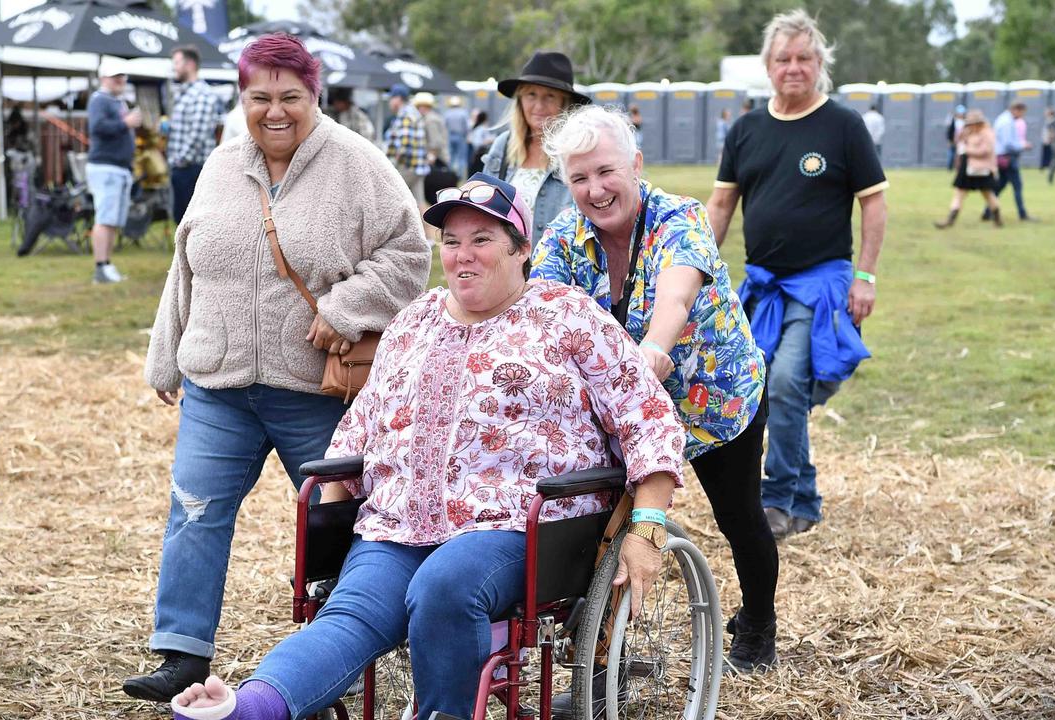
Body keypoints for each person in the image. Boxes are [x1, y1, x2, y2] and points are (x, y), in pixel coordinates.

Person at [168, 173, 685, 720]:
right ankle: (249, 705)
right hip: (397, 522)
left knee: (445, 586)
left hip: (519, 527)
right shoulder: (414, 321)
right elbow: (360, 430)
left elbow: (647, 418)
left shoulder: (568, 316)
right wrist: (332, 523)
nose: (463, 256)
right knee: (352, 612)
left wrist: (647, 525)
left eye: (483, 240)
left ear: (523, 248)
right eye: (452, 241)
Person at [124, 33, 432, 703]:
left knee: (339, 525)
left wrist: (346, 305)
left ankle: (351, 639)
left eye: (290, 97)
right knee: (195, 513)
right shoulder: (218, 167)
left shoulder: (358, 165)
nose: (275, 112)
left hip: (313, 389)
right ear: (242, 99)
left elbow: (409, 258)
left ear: (313, 97)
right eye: (259, 98)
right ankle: (180, 651)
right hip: (218, 384)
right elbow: (187, 264)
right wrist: (166, 356)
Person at [533, 104, 777, 676]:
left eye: (606, 171)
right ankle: (604, 642)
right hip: (624, 410)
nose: (594, 189)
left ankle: (759, 628)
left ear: (636, 164)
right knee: (601, 519)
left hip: (711, 401)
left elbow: (675, 297)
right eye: (579, 178)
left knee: (738, 515)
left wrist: (653, 352)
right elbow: (540, 316)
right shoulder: (563, 238)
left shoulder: (679, 218)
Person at [708, 9, 886, 540]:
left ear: (820, 64)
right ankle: (801, 493)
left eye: (804, 58)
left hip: (821, 282)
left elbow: (873, 207)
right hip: (762, 285)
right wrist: (696, 270)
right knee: (758, 388)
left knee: (786, 381)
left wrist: (867, 278)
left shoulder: (844, 126)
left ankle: (780, 498)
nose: (793, 67)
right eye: (783, 58)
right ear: (767, 65)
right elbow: (721, 205)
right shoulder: (746, 129)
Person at [483, 50, 591, 242]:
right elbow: (482, 208)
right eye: (531, 95)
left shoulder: (578, 151)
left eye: (550, 96)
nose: (539, 106)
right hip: (507, 266)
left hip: (558, 266)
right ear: (520, 101)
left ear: (564, 103)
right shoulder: (503, 146)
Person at [86, 57, 142, 283]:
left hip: (117, 167)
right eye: (115, 76)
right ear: (103, 78)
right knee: (105, 217)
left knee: (112, 219)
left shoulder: (115, 101)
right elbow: (97, 128)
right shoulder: (100, 100)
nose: (121, 80)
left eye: (122, 76)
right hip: (106, 166)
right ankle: (101, 266)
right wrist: (125, 124)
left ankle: (106, 264)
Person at [168, 45, 224, 224]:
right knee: (181, 219)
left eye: (177, 62)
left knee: (191, 221)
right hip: (184, 167)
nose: (174, 67)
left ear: (190, 64)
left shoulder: (201, 94)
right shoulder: (186, 93)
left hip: (192, 168)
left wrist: (180, 161)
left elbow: (198, 133)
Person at [935, 110, 1002, 228]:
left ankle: (997, 219)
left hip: (982, 169)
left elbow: (986, 150)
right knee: (959, 193)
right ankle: (950, 220)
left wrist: (968, 150)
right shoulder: (968, 132)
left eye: (972, 123)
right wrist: (962, 136)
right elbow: (958, 143)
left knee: (988, 194)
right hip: (967, 168)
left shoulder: (987, 133)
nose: (970, 126)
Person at [987, 102, 1034, 222]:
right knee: (1017, 186)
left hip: (1000, 157)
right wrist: (1023, 146)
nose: (1022, 115)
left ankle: (987, 212)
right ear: (1016, 110)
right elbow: (1008, 144)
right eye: (1022, 112)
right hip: (1007, 158)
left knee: (1000, 185)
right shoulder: (1007, 122)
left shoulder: (1002, 118)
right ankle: (1022, 213)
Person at [384, 83, 428, 209]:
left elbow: (404, 145)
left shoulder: (405, 115)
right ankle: (425, 228)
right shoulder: (411, 112)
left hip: (407, 166)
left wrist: (392, 166)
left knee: (391, 197)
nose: (389, 102)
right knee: (419, 202)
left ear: (398, 99)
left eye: (391, 98)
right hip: (416, 166)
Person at [414, 92, 450, 169]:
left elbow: (435, 142)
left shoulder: (430, 120)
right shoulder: (430, 117)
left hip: (437, 159)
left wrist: (431, 156)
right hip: (437, 157)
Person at [443, 94, 471, 178]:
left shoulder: (447, 113)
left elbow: (444, 125)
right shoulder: (463, 112)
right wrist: (467, 135)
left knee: (451, 156)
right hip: (461, 136)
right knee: (461, 157)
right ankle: (460, 176)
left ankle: (450, 174)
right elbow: (467, 126)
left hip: (450, 136)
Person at [467, 109, 493, 175]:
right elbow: (477, 142)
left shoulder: (477, 128)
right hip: (480, 154)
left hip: (477, 154)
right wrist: (488, 141)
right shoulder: (481, 129)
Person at [945, 104, 965, 171]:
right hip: (953, 140)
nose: (961, 114)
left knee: (960, 154)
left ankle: (959, 167)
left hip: (961, 140)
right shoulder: (953, 120)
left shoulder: (964, 121)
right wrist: (949, 140)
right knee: (951, 154)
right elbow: (949, 131)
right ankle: (949, 167)